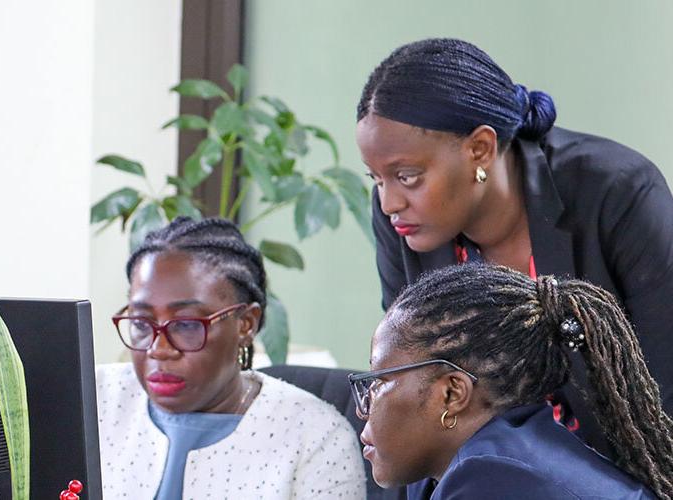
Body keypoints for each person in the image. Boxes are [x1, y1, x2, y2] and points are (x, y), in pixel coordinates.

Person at [355, 38, 673, 456]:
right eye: (376, 179)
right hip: (488, 471)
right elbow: (412, 383)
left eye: (407, 176)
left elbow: (666, 385)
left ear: (480, 148)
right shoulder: (402, 223)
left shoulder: (617, 192)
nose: (389, 202)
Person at [95, 217, 366, 499]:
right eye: (141, 323)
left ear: (245, 324)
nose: (159, 349)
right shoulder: (93, 397)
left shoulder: (317, 438)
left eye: (187, 324)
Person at [353, 264, 672, 499]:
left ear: (451, 393)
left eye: (378, 382)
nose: (362, 408)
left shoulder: (489, 478)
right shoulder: (501, 454)